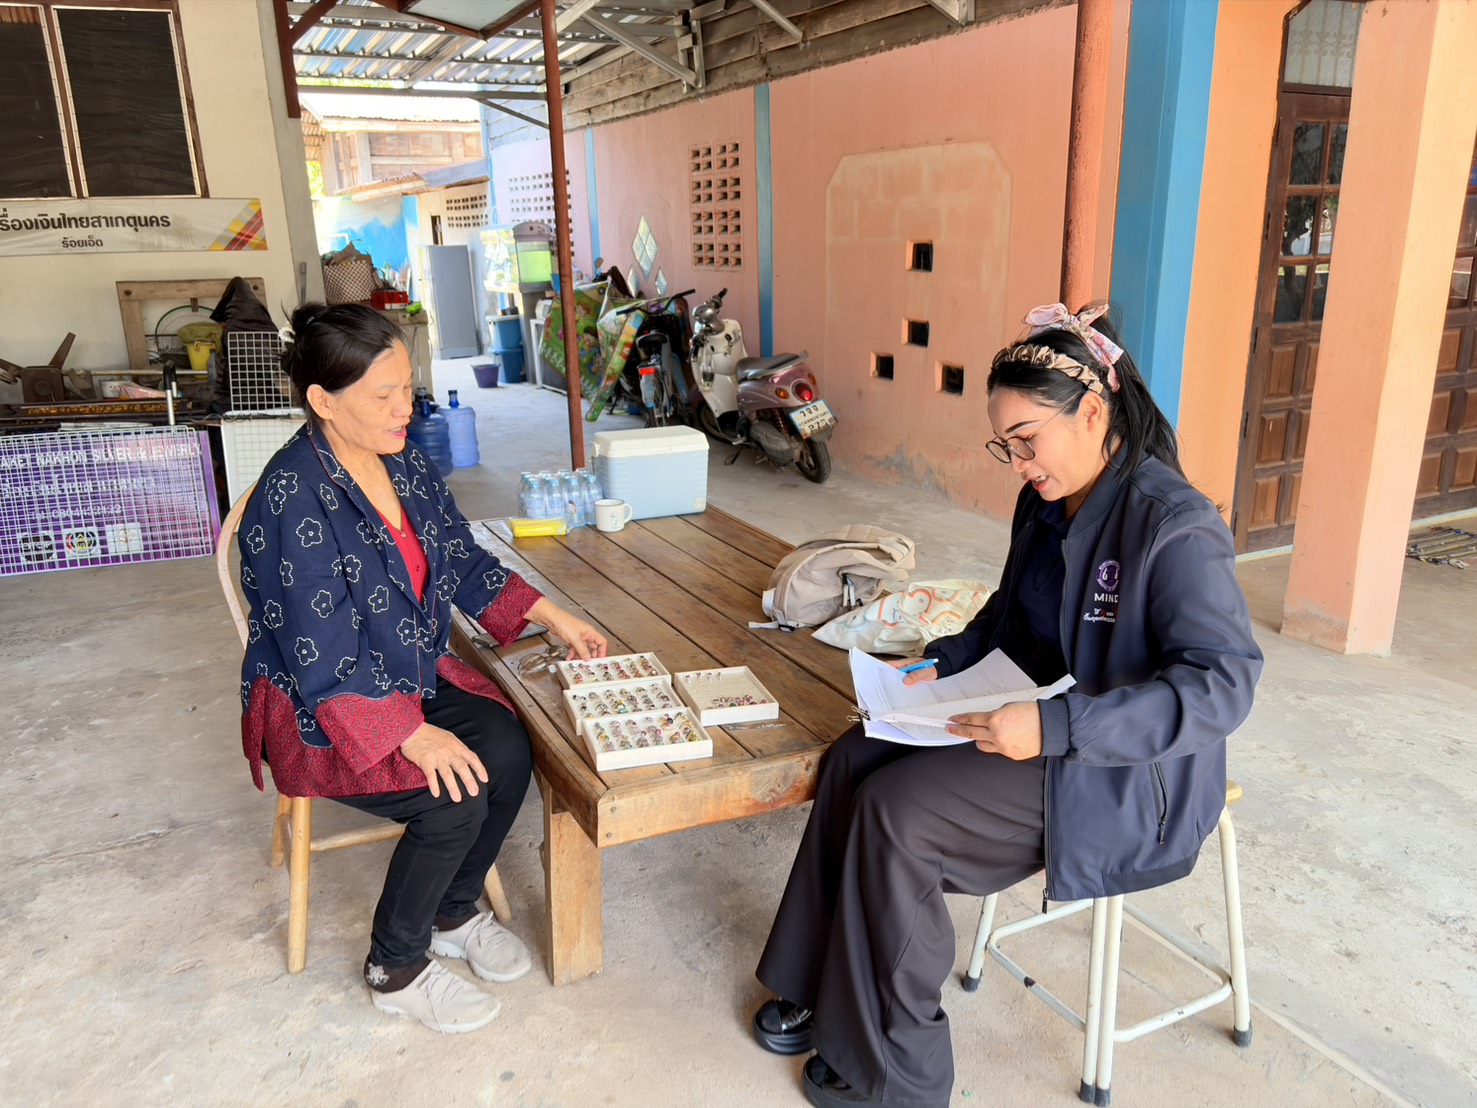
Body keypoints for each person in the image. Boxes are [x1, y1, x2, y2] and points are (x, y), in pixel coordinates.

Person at [750, 302, 1264, 1107]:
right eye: (1006, 446)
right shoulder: (1047, 500)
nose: (1018, 463)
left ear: (1091, 413)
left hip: (1124, 773)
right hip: (1037, 716)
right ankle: (822, 984)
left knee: (897, 812)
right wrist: (944, 660)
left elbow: (1222, 685)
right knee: (851, 758)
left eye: (1027, 440)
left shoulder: (1173, 525)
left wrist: (1054, 726)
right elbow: (1012, 617)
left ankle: (900, 1075)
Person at [236, 303, 607, 1034]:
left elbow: (460, 559)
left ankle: (452, 911)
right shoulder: (290, 497)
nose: (405, 408)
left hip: (406, 667)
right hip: (322, 705)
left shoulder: (402, 458)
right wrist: (410, 734)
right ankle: (395, 967)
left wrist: (552, 615)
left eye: (407, 387)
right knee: (452, 793)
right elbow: (321, 651)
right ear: (323, 402)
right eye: (384, 395)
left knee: (508, 748)